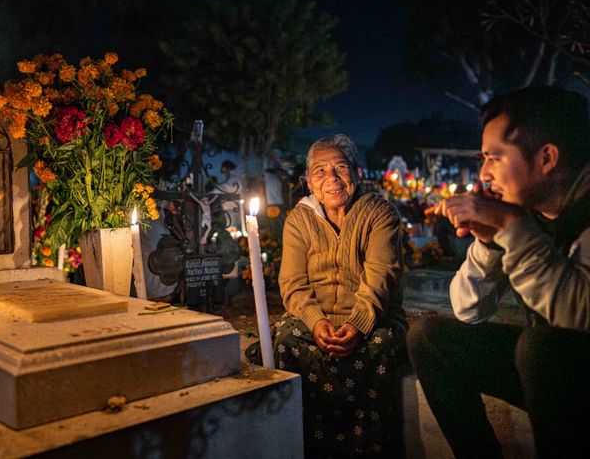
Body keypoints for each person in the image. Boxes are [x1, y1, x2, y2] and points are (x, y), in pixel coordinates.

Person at [407, 86, 590, 458]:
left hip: (569, 373)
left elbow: (579, 315)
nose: (485, 172)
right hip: (551, 375)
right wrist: (490, 243)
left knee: (542, 348)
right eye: (483, 158)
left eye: (495, 157)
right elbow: (467, 309)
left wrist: (511, 224)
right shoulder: (529, 212)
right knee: (428, 335)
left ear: (547, 157)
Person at [249, 134, 406, 456]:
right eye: (320, 171)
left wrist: (357, 326)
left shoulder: (380, 213)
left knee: (375, 348)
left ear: (356, 172)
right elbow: (293, 283)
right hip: (315, 321)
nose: (331, 179)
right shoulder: (299, 219)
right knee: (289, 340)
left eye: (340, 168)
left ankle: (366, 448)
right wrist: (316, 322)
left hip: (372, 319)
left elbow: (381, 278)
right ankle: (307, 446)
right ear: (308, 181)